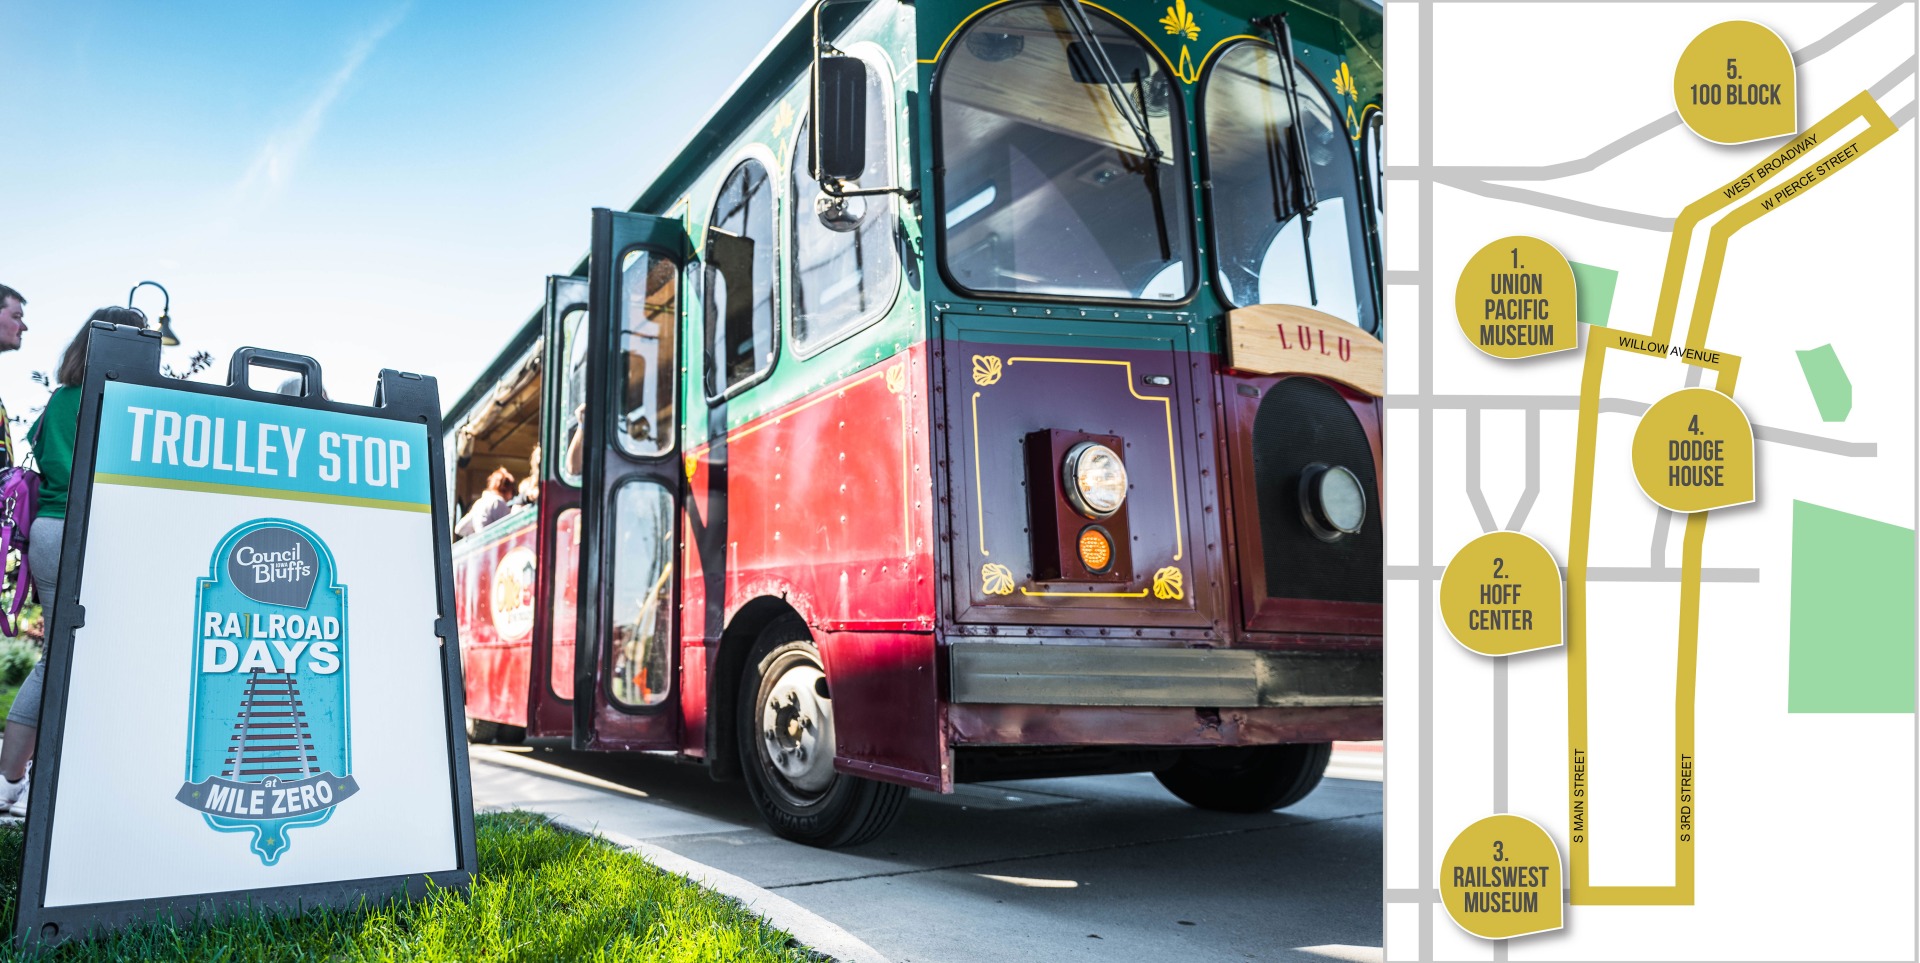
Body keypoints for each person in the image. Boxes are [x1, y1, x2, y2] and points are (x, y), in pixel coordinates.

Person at [0, 306, 145, 817]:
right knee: (80, 657)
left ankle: (14, 779)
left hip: (49, 531)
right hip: (84, 533)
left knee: (62, 655)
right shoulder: (120, 401)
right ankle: (27, 780)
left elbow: (44, 451)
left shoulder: (61, 399)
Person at [455, 467, 516, 538]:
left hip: (480, 544)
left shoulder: (480, 503)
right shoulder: (498, 502)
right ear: (507, 489)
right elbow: (509, 530)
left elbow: (460, 529)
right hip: (492, 545)